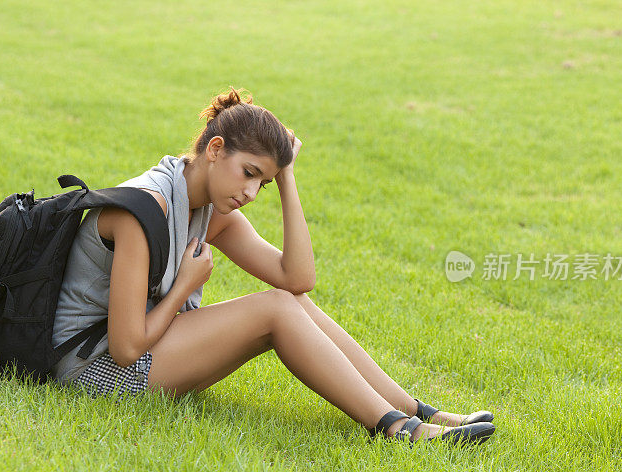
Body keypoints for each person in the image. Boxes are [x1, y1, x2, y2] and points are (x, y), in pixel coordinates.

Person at [51, 87, 496, 446]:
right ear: (215, 149)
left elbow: (298, 279)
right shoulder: (142, 212)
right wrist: (184, 286)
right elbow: (127, 347)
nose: (250, 192)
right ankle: (399, 429)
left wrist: (287, 177)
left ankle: (417, 410)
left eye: (261, 182)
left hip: (145, 350)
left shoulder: (209, 212)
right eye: (248, 173)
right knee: (274, 309)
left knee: (288, 300)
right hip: (92, 370)